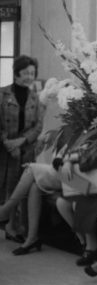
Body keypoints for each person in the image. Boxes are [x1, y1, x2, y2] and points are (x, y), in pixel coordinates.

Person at [0, 55, 44, 243]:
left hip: (26, 149)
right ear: (17, 72)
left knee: (21, 188)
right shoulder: (2, 94)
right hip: (4, 149)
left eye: (32, 73)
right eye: (25, 73)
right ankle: (8, 224)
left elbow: (38, 126)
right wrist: (8, 143)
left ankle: (14, 227)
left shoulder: (36, 97)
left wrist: (21, 141)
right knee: (6, 186)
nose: (29, 77)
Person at [0, 162, 60, 255]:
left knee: (31, 169)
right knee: (34, 187)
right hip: (64, 173)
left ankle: (4, 211)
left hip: (78, 179)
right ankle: (32, 238)